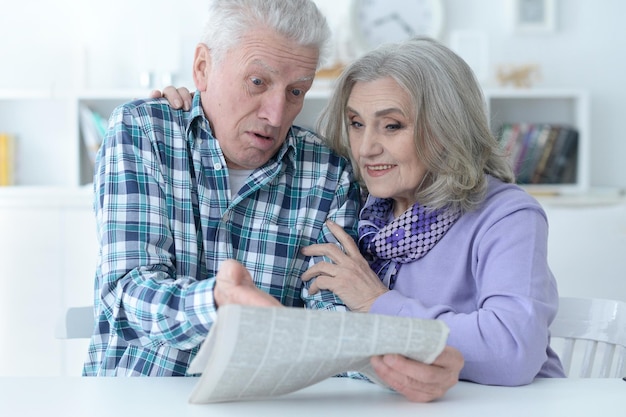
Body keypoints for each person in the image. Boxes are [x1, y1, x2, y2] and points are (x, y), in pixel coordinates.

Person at [85, 0, 462, 402]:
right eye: (257, 82)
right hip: (136, 395)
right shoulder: (143, 131)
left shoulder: (327, 171)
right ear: (202, 69)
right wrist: (218, 302)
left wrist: (400, 367)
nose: (276, 113)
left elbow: (329, 319)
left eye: (297, 90)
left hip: (264, 405)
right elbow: (126, 294)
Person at [296, 36, 565, 386]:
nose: (365, 148)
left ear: (446, 128)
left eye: (392, 125)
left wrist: (378, 304)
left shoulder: (507, 215)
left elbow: (511, 349)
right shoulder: (357, 212)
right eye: (356, 123)